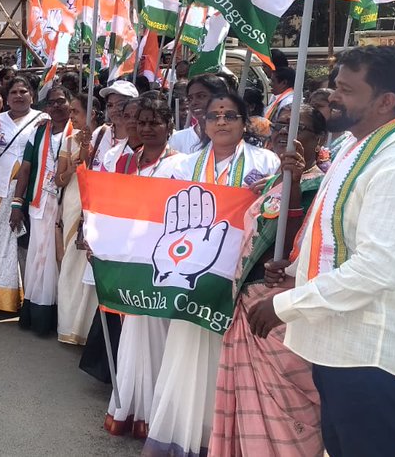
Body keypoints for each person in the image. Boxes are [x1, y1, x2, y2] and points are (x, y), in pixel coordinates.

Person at [247, 45, 395, 457]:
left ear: (385, 101)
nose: (333, 97)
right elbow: (337, 235)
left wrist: (286, 304)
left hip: (368, 345)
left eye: (347, 90)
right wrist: (296, 270)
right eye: (336, 86)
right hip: (338, 339)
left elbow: (376, 268)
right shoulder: (356, 147)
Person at [143, 92, 279, 456]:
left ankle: (223, 439)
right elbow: (160, 213)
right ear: (202, 123)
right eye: (214, 116)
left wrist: (267, 190)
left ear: (244, 123)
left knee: (229, 356)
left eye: (230, 115)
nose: (221, 121)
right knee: (185, 349)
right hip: (191, 274)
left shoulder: (266, 162)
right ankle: (181, 434)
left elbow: (277, 208)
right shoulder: (182, 165)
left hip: (239, 273)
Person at [208, 103, 325, 457]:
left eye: (299, 127)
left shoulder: (320, 186)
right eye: (281, 125)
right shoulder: (272, 182)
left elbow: (295, 247)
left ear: (320, 139)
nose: (286, 133)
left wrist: (294, 185)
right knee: (247, 405)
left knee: (286, 405)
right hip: (250, 300)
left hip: (280, 304)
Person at [102, 95, 186, 439]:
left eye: (155, 122)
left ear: (169, 126)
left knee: (158, 334)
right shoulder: (125, 162)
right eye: (142, 122)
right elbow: (111, 205)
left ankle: (158, 416)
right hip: (129, 257)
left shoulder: (181, 165)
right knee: (133, 333)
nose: (147, 128)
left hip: (164, 260)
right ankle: (131, 409)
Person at [10, 86, 74, 335]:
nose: (56, 106)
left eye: (61, 101)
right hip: (39, 203)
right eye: (52, 103)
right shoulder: (38, 132)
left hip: (67, 204)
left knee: (61, 259)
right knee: (39, 257)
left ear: (70, 103)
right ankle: (37, 314)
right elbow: (25, 169)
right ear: (46, 108)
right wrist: (17, 204)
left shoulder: (78, 133)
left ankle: (62, 317)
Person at [0, 75, 45, 312]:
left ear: (32, 95)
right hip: (0, 188)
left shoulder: (43, 120)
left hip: (34, 191)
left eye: (23, 91)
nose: (19, 96)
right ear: (6, 98)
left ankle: (30, 294)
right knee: (3, 242)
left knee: (28, 243)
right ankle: (2, 296)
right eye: (14, 92)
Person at [55, 93, 95, 345]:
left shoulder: (105, 139)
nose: (71, 116)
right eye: (70, 111)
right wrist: (71, 169)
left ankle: (87, 328)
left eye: (76, 111)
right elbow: (58, 180)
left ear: (92, 114)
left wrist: (89, 148)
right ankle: (68, 325)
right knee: (70, 262)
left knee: (89, 266)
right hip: (72, 205)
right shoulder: (69, 141)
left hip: (95, 206)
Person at [168, 74, 230, 154]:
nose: (194, 102)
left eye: (201, 96)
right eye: (190, 99)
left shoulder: (234, 136)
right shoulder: (177, 139)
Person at [90, 81, 139, 170]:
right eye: (110, 105)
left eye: (120, 104)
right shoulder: (100, 133)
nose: (114, 109)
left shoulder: (142, 139)